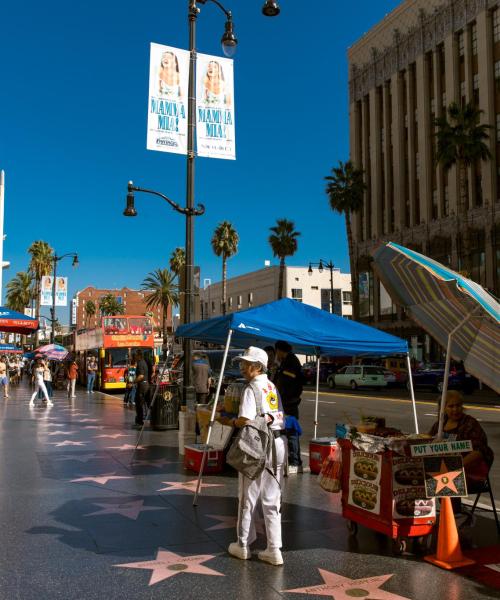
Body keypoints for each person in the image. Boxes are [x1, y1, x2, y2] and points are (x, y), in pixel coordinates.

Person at [226, 346, 286, 566]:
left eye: (246, 364)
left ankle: (242, 545)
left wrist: (231, 421)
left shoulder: (251, 388)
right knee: (272, 499)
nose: (242, 367)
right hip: (278, 444)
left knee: (247, 496)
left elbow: (244, 419)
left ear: (257, 367)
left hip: (257, 445)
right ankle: (274, 549)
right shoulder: (272, 386)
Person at [429, 390, 494, 488]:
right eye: (451, 406)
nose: (455, 409)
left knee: (444, 483)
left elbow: (479, 452)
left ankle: (450, 503)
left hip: (470, 472)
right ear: (444, 409)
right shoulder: (440, 424)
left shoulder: (470, 423)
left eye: (458, 405)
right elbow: (427, 442)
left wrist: (455, 467)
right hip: (443, 470)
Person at [274, 340, 304, 474]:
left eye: (276, 351)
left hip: (289, 403)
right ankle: (291, 460)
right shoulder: (287, 361)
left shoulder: (291, 361)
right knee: (286, 431)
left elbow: (288, 381)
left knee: (291, 432)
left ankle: (295, 462)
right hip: (286, 402)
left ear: (280, 350)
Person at [133, 350, 149, 428]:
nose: (134, 357)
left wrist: (134, 381)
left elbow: (141, 376)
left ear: (139, 355)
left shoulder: (140, 363)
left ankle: (139, 422)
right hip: (145, 385)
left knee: (139, 403)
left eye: (135, 355)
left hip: (142, 386)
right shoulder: (143, 362)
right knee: (144, 403)